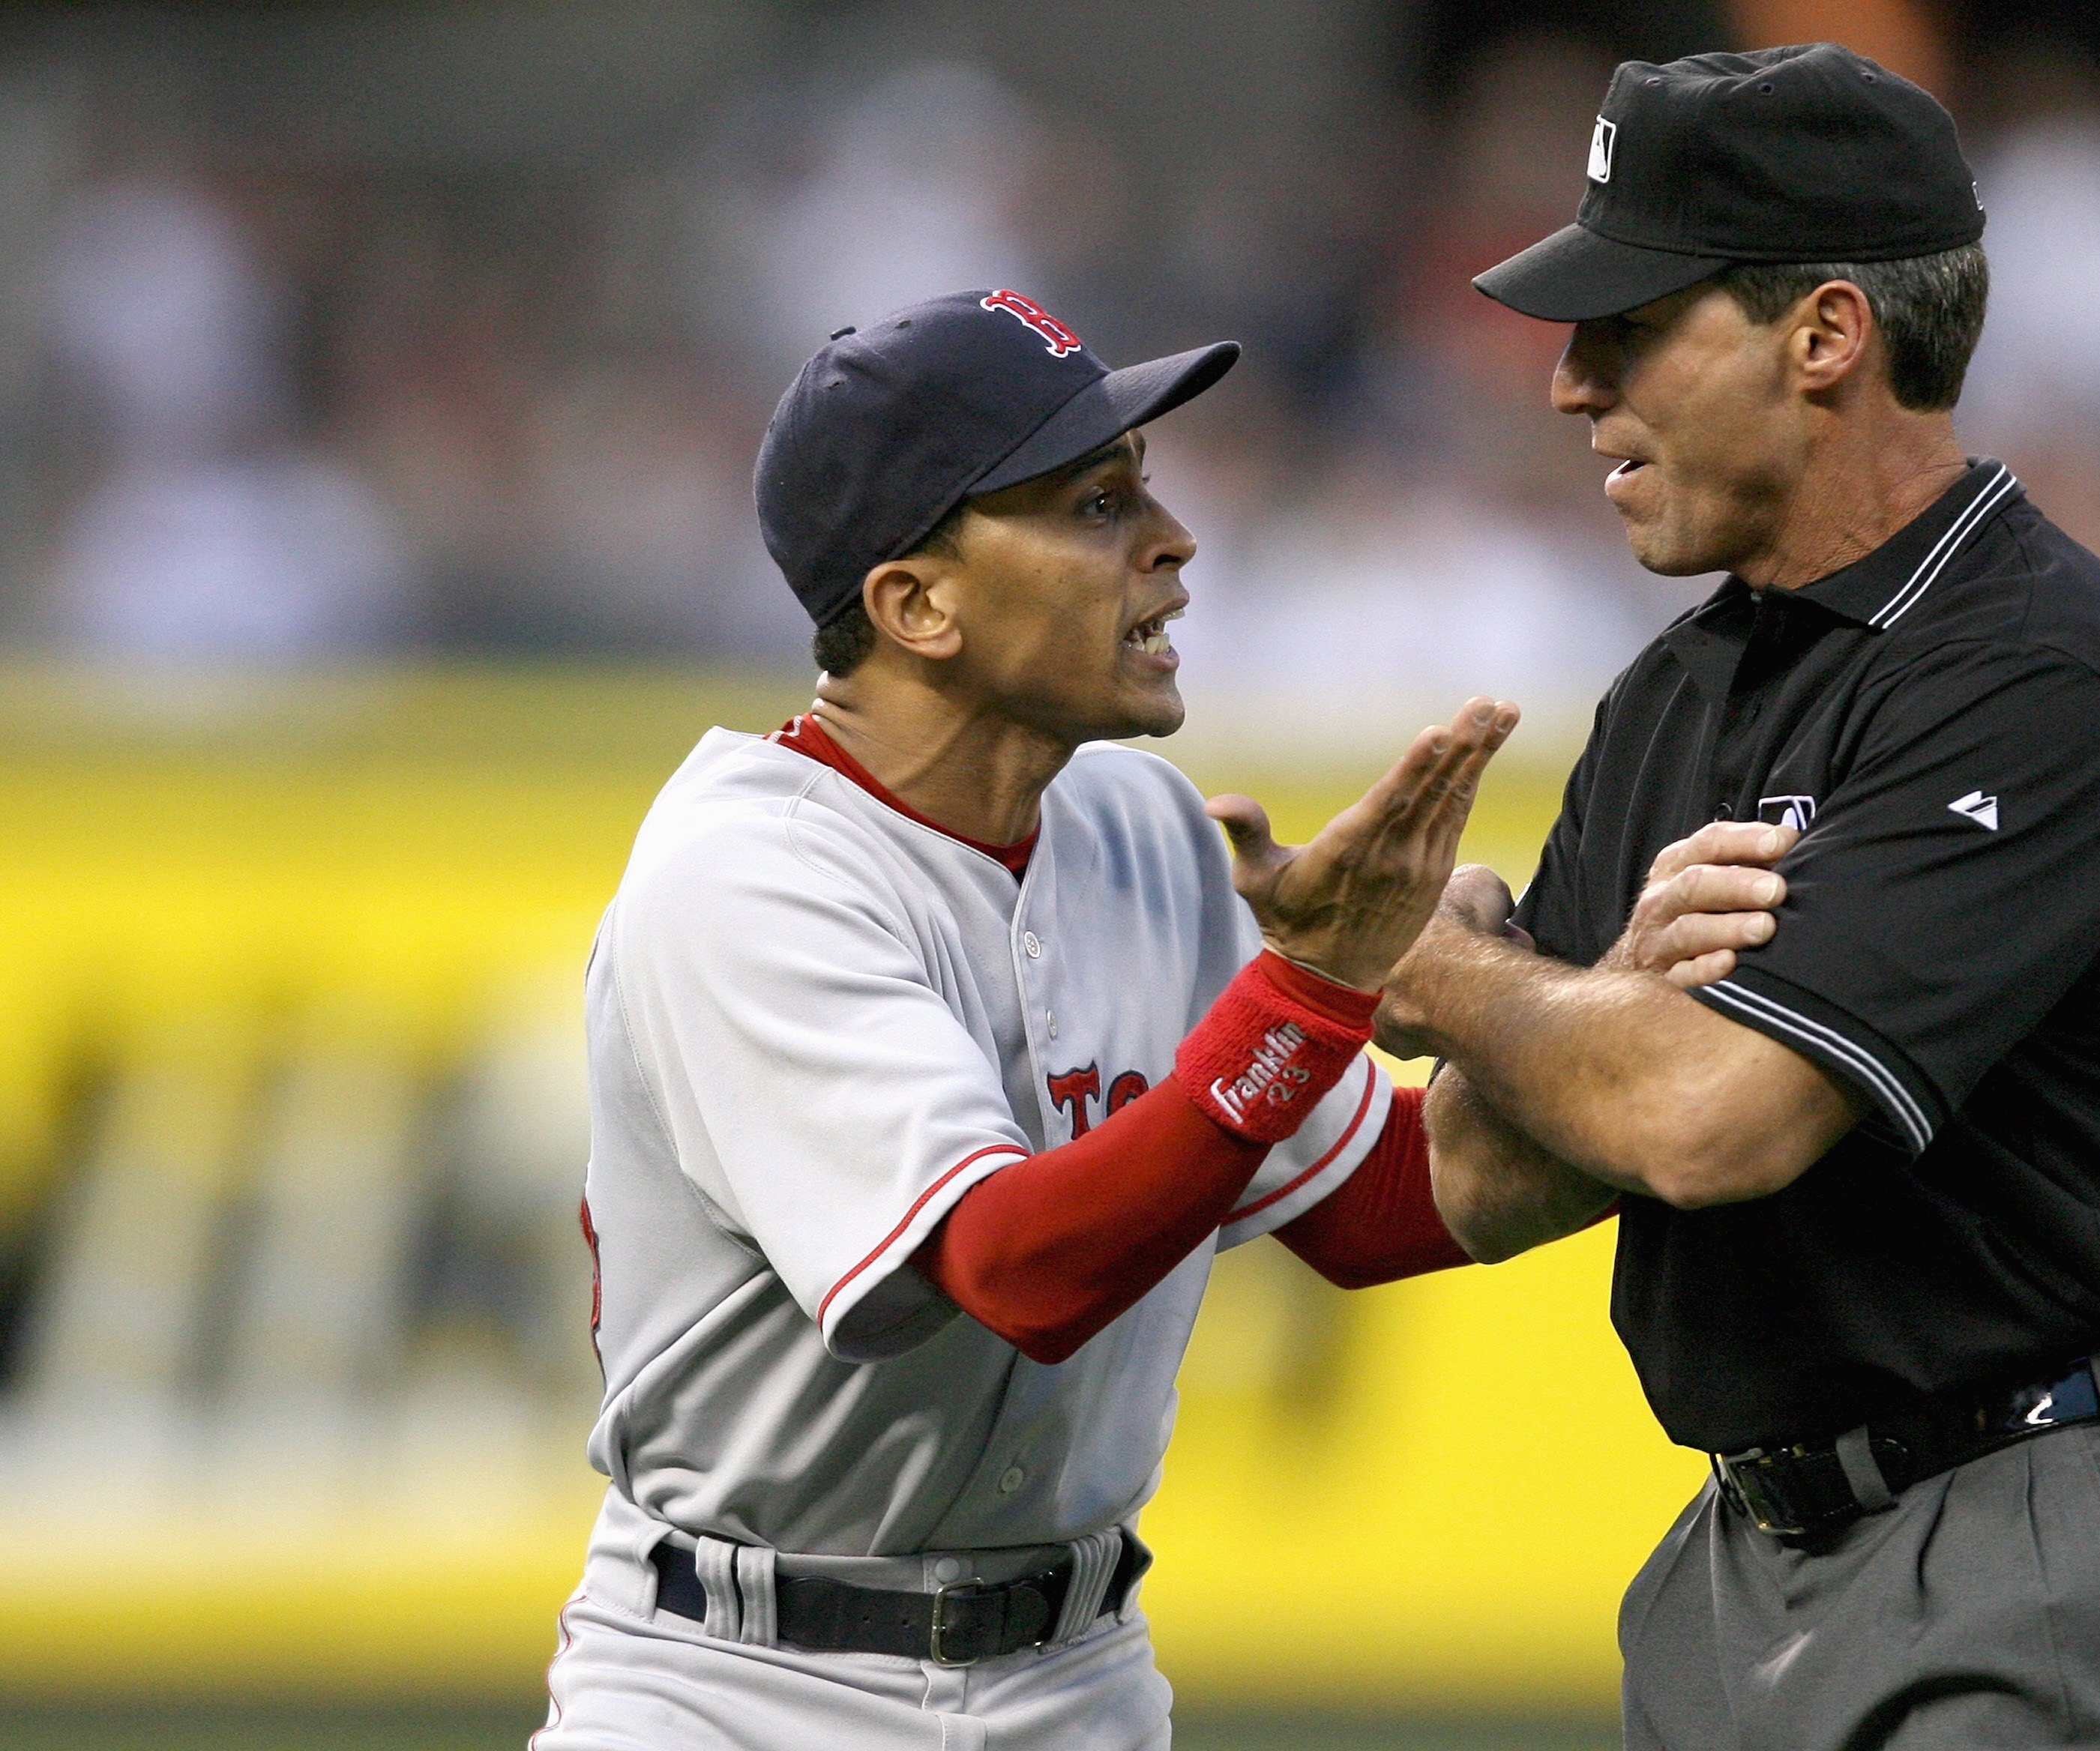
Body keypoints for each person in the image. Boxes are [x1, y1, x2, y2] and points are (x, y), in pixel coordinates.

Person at [1379, 45, 2100, 1750]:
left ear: (1824, 337)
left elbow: (1714, 1122)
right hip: (1746, 1564)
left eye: (1633, 322)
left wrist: (1434, 975)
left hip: (2043, 1527)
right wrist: (1594, 1012)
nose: (1574, 384)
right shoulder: (1674, 695)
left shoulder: (2049, 671)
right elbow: (1479, 1176)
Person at [532, 289, 1531, 1750]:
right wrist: (1314, 990)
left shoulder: (1138, 824)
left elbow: (1382, 1204)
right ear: (916, 604)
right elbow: (1013, 1268)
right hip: (735, 1685)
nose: (1172, 543)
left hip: (1076, 1673)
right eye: (1095, 503)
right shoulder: (746, 870)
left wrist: (1656, 1029)